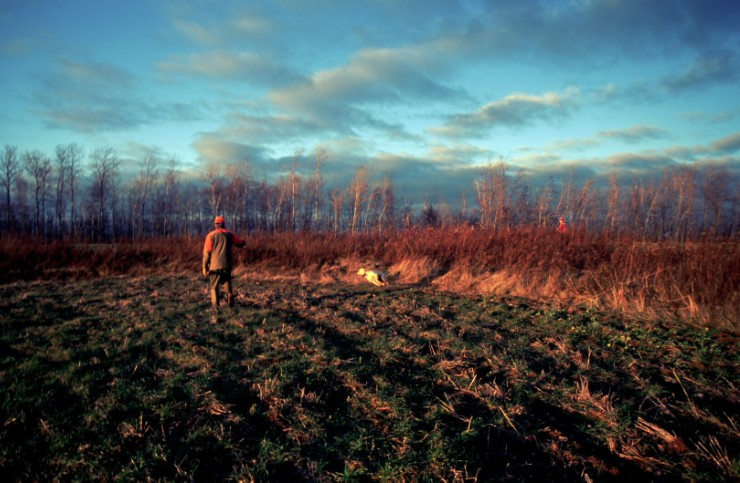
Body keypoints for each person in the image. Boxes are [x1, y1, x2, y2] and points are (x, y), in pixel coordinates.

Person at [202, 215, 246, 309]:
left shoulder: (210, 235)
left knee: (214, 287)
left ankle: (215, 308)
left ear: (215, 224)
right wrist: (243, 243)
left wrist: (205, 267)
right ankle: (230, 296)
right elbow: (240, 243)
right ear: (223, 224)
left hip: (214, 266)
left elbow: (207, 253)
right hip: (226, 265)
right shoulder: (229, 234)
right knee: (227, 283)